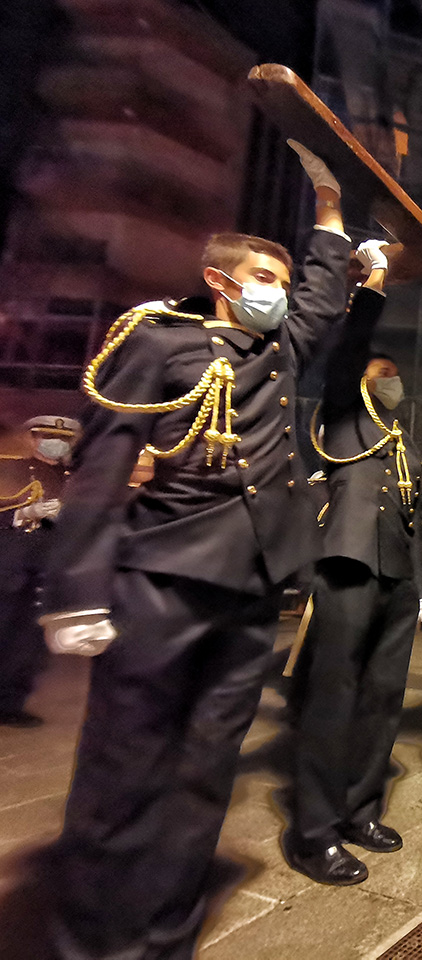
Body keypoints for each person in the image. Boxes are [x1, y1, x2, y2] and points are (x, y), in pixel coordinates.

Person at [37, 140, 353, 960]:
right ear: (221, 281)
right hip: (163, 579)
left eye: (281, 287)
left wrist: (328, 211)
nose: (279, 300)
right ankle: (88, 940)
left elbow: (326, 292)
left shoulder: (277, 353)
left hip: (251, 585)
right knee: (123, 769)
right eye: (264, 283)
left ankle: (163, 937)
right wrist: (77, 590)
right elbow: (104, 467)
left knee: (204, 771)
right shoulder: (159, 341)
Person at [284, 240, 422, 885]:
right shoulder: (342, 411)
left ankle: (360, 809)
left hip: (396, 573)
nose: (391, 380)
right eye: (383, 371)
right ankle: (314, 830)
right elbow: (348, 353)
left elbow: (412, 519)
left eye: (395, 374)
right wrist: (374, 281)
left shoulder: (401, 442)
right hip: (346, 561)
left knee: (383, 697)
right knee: (333, 696)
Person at [0, 416, 78, 726]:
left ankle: (10, 701)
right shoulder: (9, 468)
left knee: (29, 641)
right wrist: (21, 514)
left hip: (47, 568)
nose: (56, 443)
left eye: (64, 439)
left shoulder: (71, 477)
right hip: (9, 564)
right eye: (46, 436)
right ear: (32, 439)